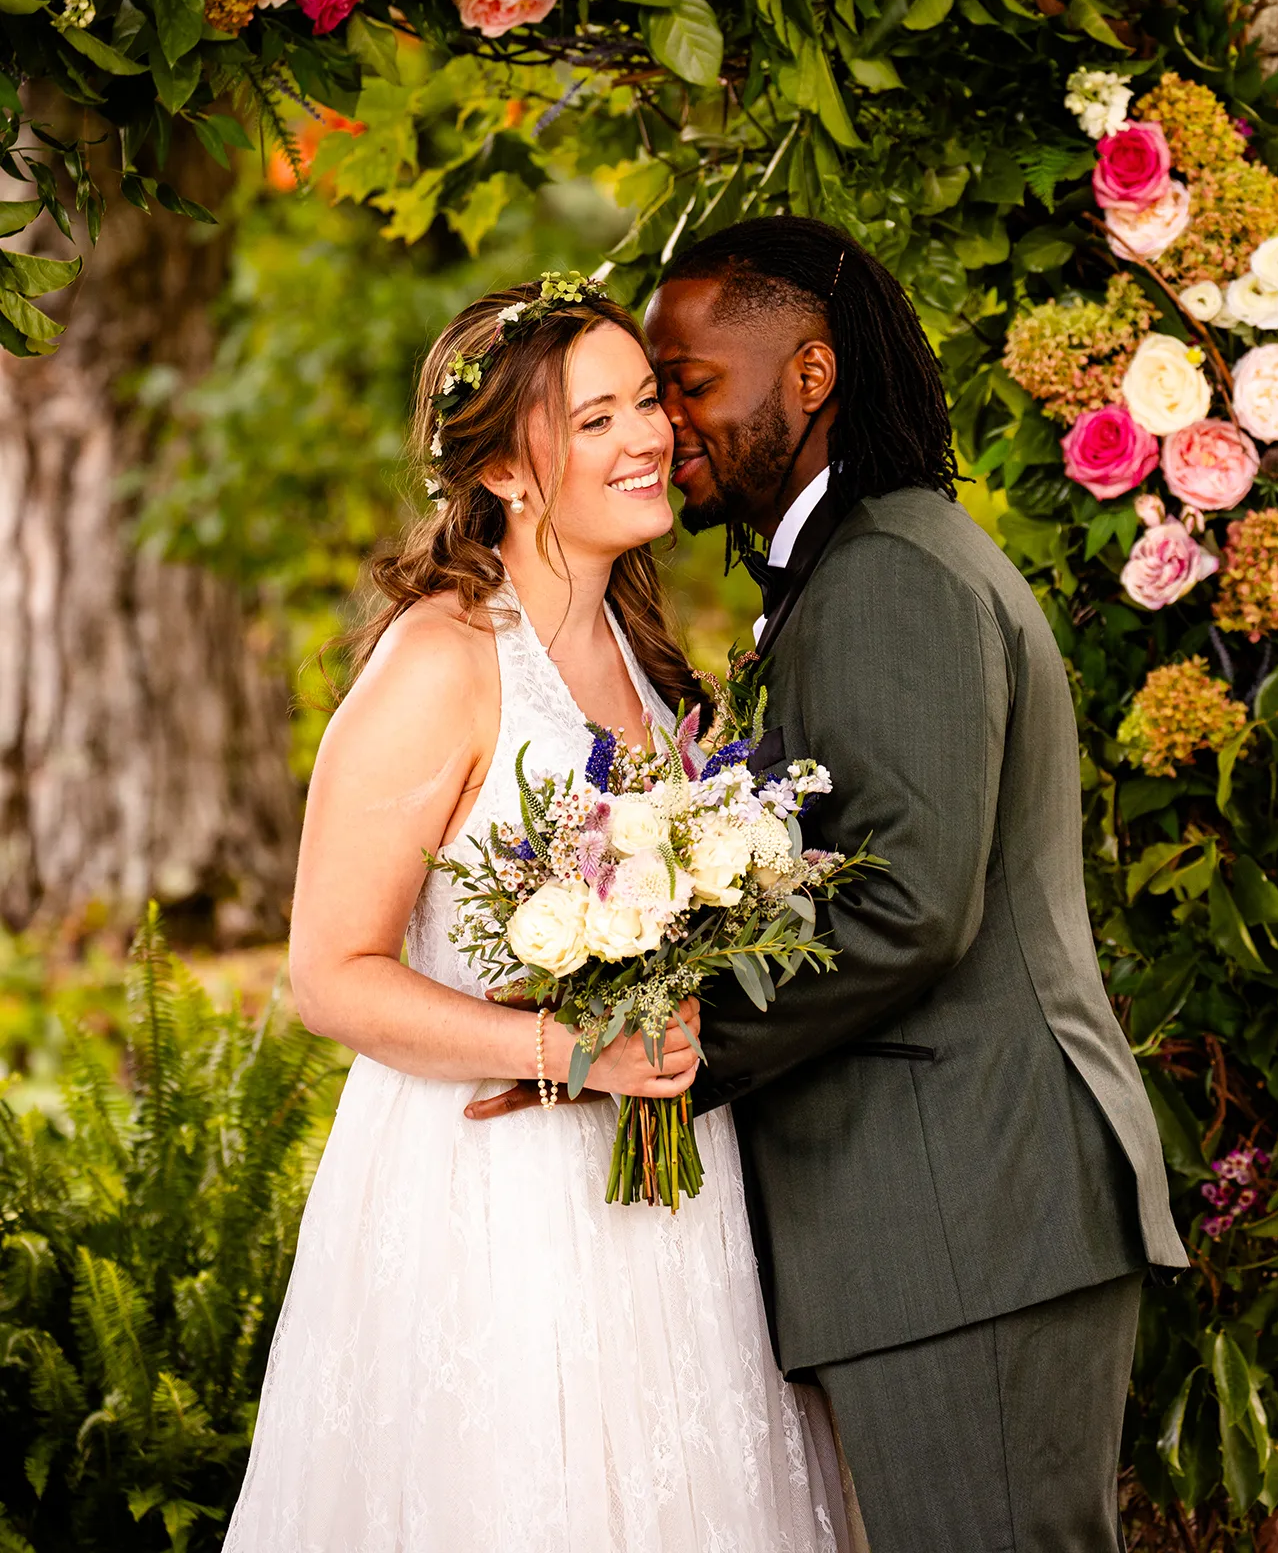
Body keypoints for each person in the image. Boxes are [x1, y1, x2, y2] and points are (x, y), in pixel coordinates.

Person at [223, 271, 849, 1553]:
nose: (652, 439)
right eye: (601, 416)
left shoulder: (640, 650)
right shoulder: (439, 660)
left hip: (662, 1199)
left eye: (650, 405)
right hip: (490, 1198)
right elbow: (329, 974)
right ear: (508, 471)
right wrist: (569, 1052)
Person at [638, 215, 1188, 1553]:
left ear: (811, 376)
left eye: (688, 381)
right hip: (952, 1219)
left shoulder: (887, 574)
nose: (663, 422)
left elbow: (908, 905)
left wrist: (668, 1049)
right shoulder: (868, 561)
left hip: (968, 1216)